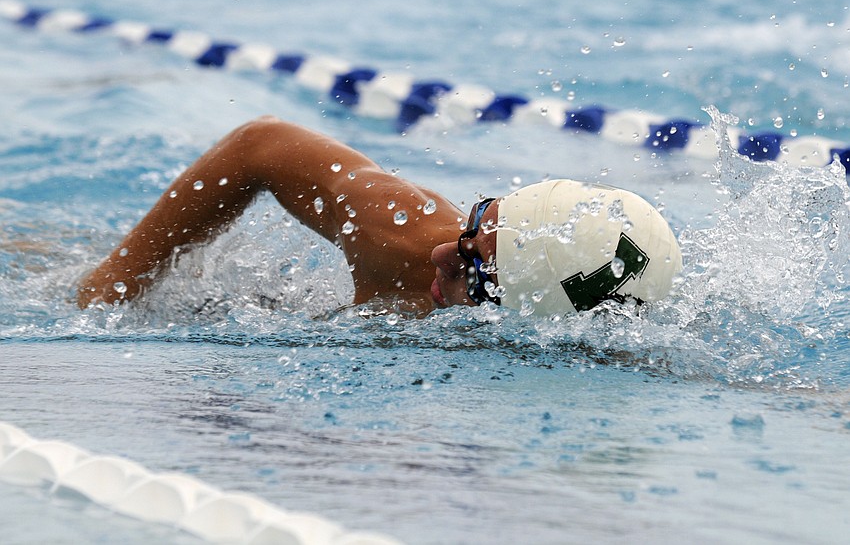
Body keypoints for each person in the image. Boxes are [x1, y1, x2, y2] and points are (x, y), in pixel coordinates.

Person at [77, 116, 682, 317]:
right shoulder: (402, 236)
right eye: (475, 223)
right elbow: (260, 144)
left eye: (476, 270)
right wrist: (117, 281)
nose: (445, 253)